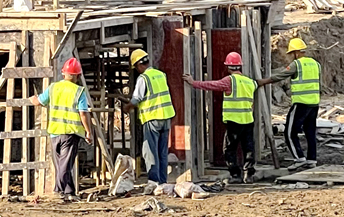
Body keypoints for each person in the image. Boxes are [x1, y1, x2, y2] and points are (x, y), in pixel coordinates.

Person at [183, 52, 256, 183]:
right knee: (248, 148)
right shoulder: (250, 82)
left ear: (228, 67)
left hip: (234, 121)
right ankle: (248, 174)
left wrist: (193, 83)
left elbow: (212, 85)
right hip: (248, 120)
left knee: (229, 149)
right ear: (240, 66)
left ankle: (235, 175)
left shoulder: (229, 81)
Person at [30, 57, 92, 201]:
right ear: (78, 75)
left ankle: (69, 191)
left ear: (63, 73)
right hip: (70, 132)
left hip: (54, 132)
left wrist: (32, 100)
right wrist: (88, 131)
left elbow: (39, 101)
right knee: (65, 164)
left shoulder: (53, 87)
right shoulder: (79, 91)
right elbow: (83, 113)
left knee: (61, 164)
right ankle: (59, 190)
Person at [258, 37, 321, 170]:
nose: (291, 57)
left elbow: (281, 75)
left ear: (296, 53)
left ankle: (299, 159)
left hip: (301, 103)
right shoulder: (316, 64)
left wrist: (263, 81)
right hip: (314, 103)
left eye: (291, 54)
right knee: (310, 132)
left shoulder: (297, 64)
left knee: (289, 132)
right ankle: (311, 159)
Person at [124, 49, 175, 193]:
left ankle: (153, 181)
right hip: (166, 116)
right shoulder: (160, 74)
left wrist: (127, 107)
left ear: (138, 66)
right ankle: (162, 181)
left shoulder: (143, 78)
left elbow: (136, 99)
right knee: (162, 152)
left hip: (152, 117)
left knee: (150, 151)